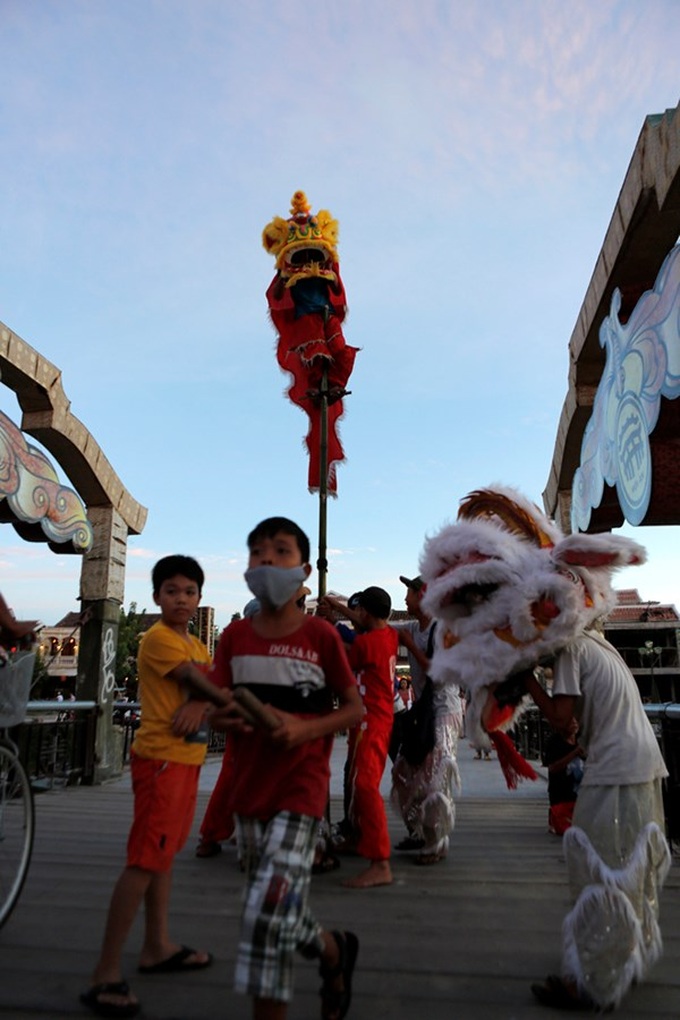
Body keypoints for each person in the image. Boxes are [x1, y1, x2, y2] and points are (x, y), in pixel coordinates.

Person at [207, 516, 363, 1020]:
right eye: (258, 552)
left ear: (302, 570)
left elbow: (353, 708)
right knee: (274, 908)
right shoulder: (233, 638)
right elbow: (219, 705)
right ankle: (333, 950)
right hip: (249, 794)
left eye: (281, 550)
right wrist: (220, 711)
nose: (267, 560)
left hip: (300, 790)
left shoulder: (321, 637)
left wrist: (303, 730)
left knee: (263, 916)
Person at [81, 555, 227, 1020]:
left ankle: (156, 946)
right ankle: (105, 972)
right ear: (156, 597)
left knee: (162, 856)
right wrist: (210, 700)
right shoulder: (160, 641)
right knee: (144, 860)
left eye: (189, 592)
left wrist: (205, 707)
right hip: (161, 761)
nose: (181, 599)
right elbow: (207, 686)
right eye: (171, 591)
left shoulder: (199, 647)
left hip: (187, 761)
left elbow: (211, 697)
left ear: (200, 599)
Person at [519, 630, 671, 1012]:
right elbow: (586, 716)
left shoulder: (569, 648)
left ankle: (592, 981)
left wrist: (524, 678)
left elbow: (558, 717)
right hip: (644, 761)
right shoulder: (598, 641)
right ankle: (625, 959)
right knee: (627, 869)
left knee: (597, 869)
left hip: (616, 768)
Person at [324, 586, 397, 889]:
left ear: (365, 612)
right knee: (356, 782)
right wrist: (338, 610)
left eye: (358, 612)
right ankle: (358, 837)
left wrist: (328, 627)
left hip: (372, 722)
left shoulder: (368, 645)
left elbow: (340, 663)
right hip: (372, 720)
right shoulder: (388, 635)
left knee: (365, 786)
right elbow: (361, 623)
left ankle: (380, 862)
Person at [390, 575, 462, 865]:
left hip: (443, 711)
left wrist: (410, 646)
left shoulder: (442, 630)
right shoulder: (412, 627)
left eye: (409, 593)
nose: (405, 599)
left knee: (434, 781)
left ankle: (436, 843)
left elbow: (438, 673)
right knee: (402, 773)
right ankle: (418, 831)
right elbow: (380, 628)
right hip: (423, 713)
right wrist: (339, 613)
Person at [542, 716, 585, 836]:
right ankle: (554, 817)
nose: (574, 724)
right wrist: (574, 753)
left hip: (580, 796)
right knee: (566, 830)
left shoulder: (581, 740)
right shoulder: (555, 742)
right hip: (562, 796)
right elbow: (553, 767)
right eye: (570, 722)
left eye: (576, 721)